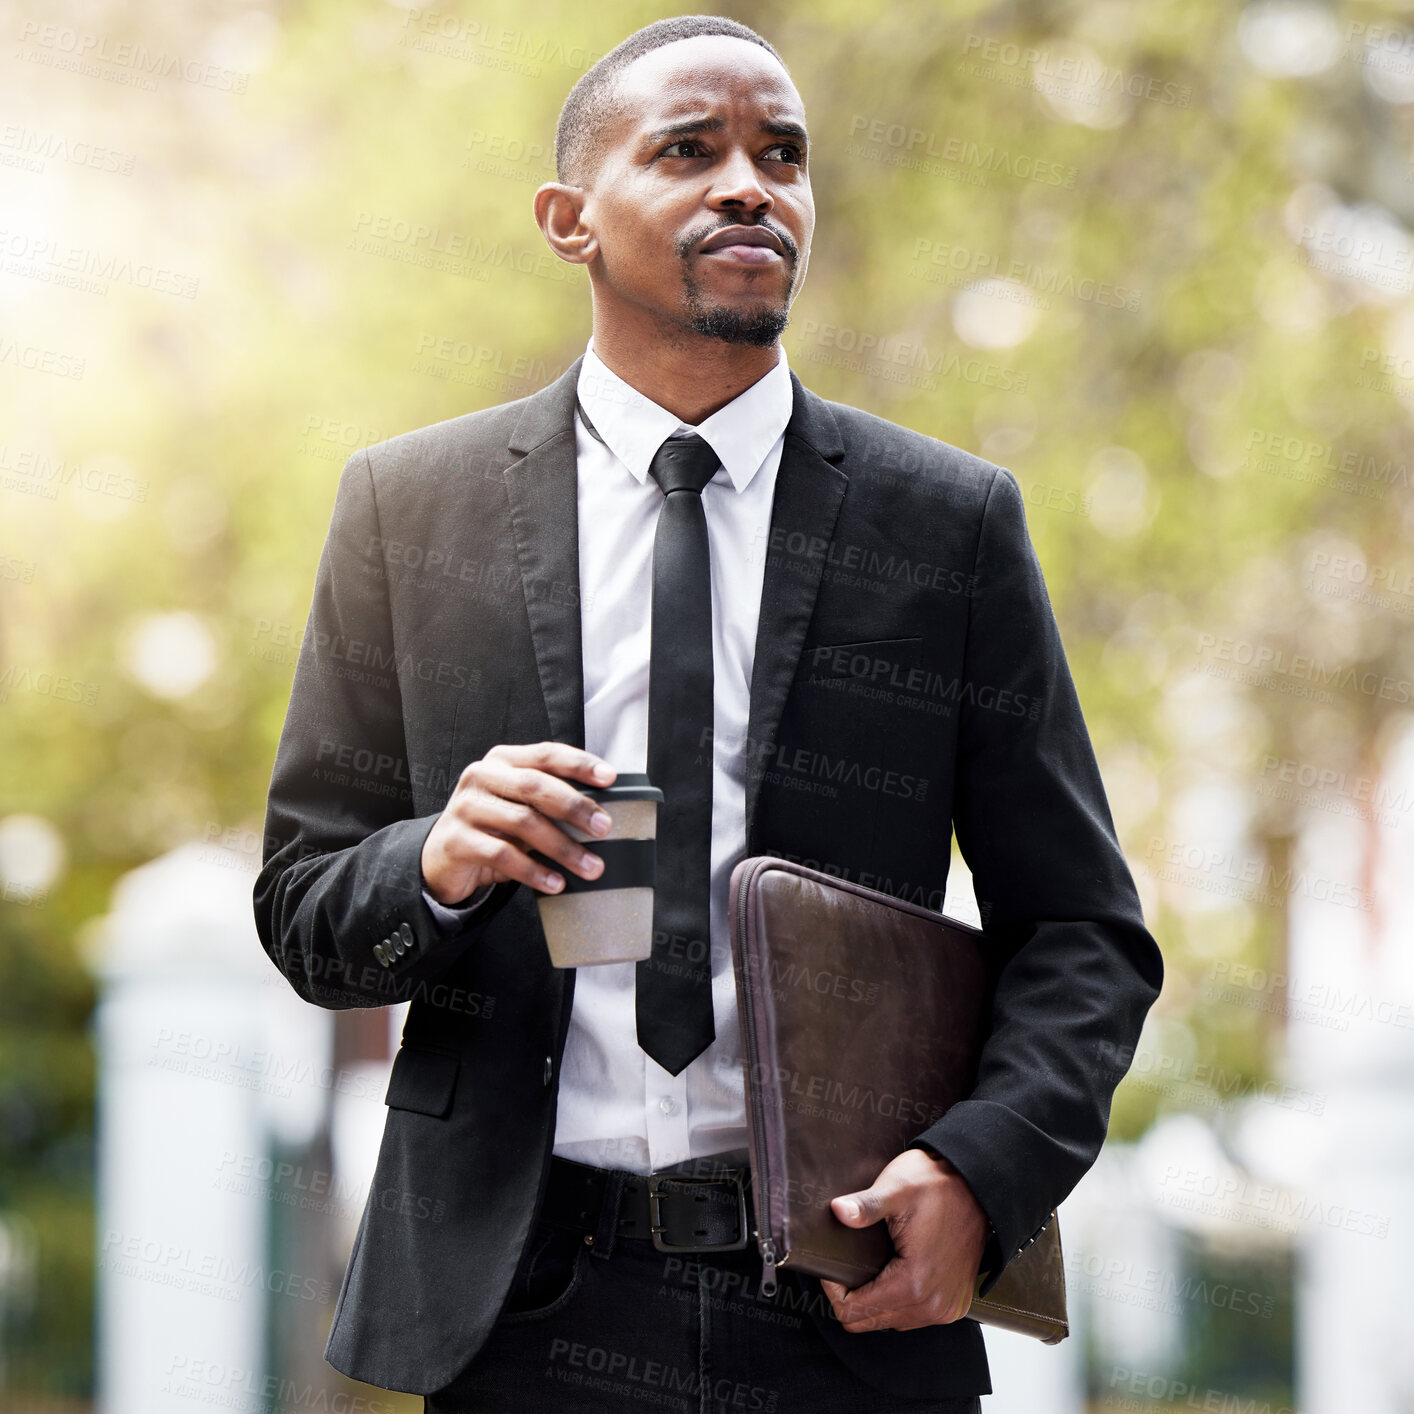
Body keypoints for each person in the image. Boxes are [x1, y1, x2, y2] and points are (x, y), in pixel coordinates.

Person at [253, 14, 1163, 1412]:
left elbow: (1082, 932)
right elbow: (308, 910)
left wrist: (983, 1167)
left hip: (843, 1301)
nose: (751, 183)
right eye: (689, 149)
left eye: (780, 155)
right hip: (519, 1309)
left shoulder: (945, 523)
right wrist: (435, 860)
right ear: (569, 219)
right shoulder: (408, 507)